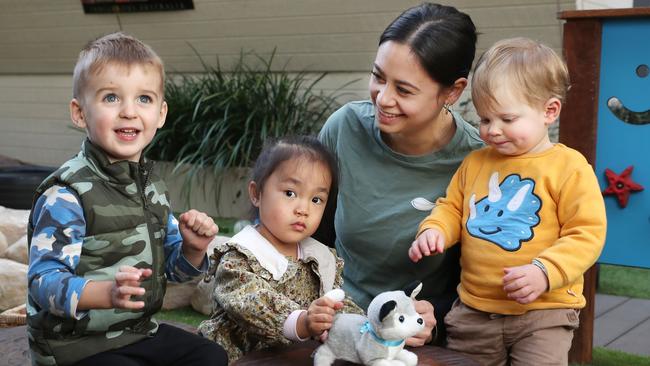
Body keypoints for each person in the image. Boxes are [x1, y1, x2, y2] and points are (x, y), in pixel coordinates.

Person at [26, 32, 228, 366]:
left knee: (210, 356)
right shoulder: (67, 194)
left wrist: (192, 248)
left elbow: (174, 272)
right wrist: (106, 293)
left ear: (161, 114)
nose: (129, 112)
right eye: (111, 98)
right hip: (73, 346)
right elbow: (43, 282)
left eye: (144, 99)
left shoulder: (152, 189)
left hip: (136, 331)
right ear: (80, 113)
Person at [409, 37, 607, 365]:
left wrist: (544, 272)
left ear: (549, 111)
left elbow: (586, 233)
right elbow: (453, 207)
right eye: (485, 119)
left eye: (507, 119)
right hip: (474, 311)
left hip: (543, 312)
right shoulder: (476, 163)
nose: (493, 130)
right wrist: (435, 230)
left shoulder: (568, 167)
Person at [316, 2, 483, 345]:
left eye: (404, 90)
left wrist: (433, 317)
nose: (383, 98)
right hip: (334, 326)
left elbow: (485, 277)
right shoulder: (344, 129)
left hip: (410, 337)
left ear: (453, 91)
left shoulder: (478, 164)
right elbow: (310, 235)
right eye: (378, 77)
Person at [197, 136, 364, 362]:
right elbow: (252, 302)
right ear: (257, 194)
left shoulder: (320, 258)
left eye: (316, 199)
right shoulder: (241, 254)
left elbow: (336, 304)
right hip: (236, 357)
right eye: (290, 193)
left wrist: (370, 328)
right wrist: (302, 322)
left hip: (291, 358)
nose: (303, 209)